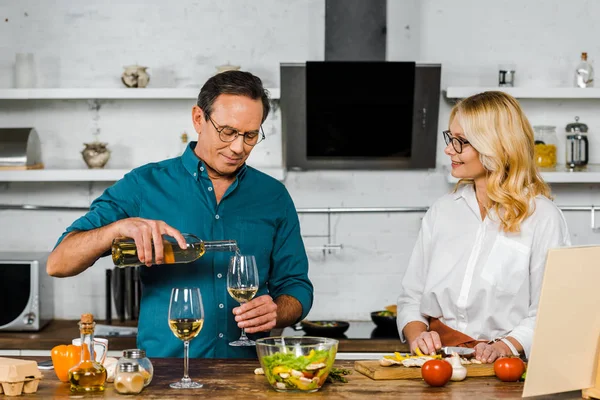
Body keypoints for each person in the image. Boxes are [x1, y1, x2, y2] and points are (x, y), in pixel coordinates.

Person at [47, 70, 313, 358]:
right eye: (227, 132)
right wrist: (116, 229)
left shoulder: (273, 195)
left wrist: (278, 310)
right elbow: (59, 263)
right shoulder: (144, 185)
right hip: (165, 374)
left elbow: (296, 287)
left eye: (250, 136)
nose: (238, 147)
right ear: (198, 118)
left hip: (250, 374)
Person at [397, 91, 570, 363]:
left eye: (461, 142)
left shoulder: (543, 217)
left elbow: (551, 310)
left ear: (497, 146)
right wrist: (418, 334)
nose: (448, 149)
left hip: (506, 370)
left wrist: (504, 347)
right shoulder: (442, 211)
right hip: (437, 365)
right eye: (450, 137)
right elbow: (411, 297)